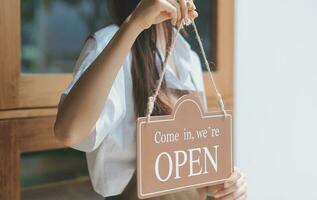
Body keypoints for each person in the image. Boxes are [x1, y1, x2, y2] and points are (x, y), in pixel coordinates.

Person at [54, 0, 247, 199]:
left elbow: (192, 161)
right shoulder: (110, 43)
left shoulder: (189, 58)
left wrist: (221, 184)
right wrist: (135, 23)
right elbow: (69, 131)